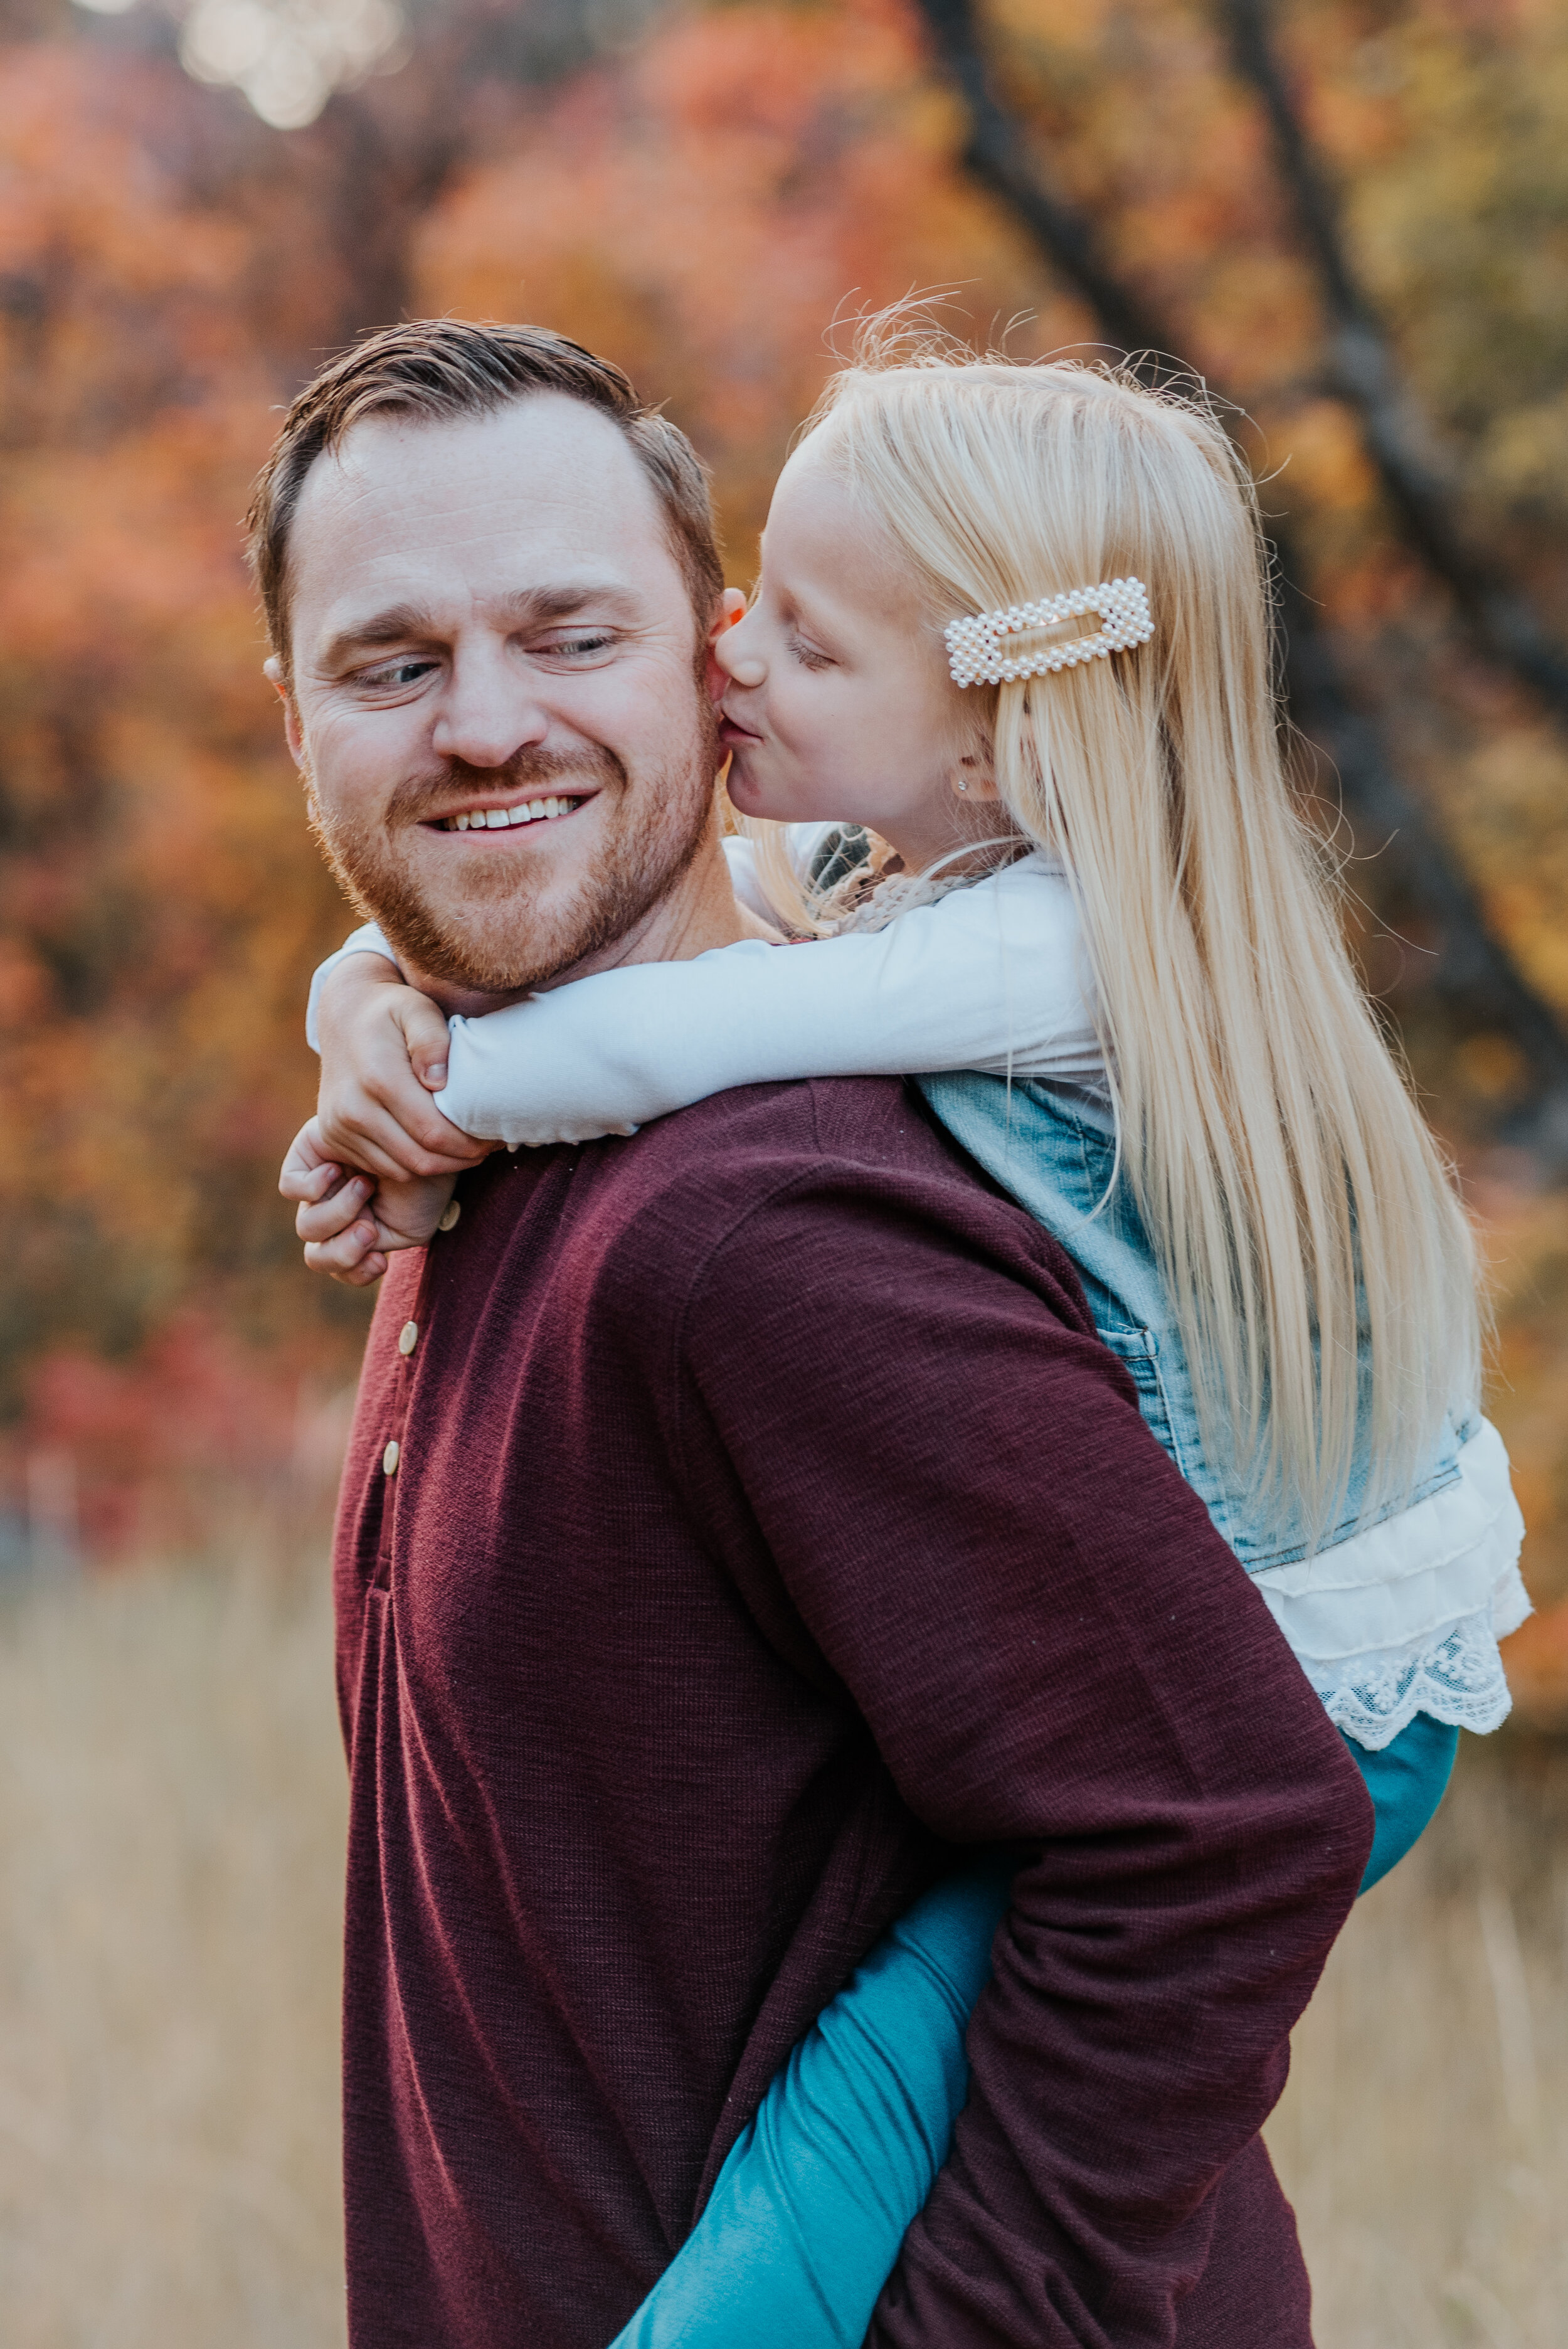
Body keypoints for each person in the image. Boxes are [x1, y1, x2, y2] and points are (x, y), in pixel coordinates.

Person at [283, 331, 1528, 2346]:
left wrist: (414, 1076)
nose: (486, 723)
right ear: (291, 711)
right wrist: (374, 1008)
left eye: (572, 632)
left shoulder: (768, 1220)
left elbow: (1216, 1835)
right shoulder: (813, 952)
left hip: (1357, 1651)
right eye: (389, 663)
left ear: (682, 653)